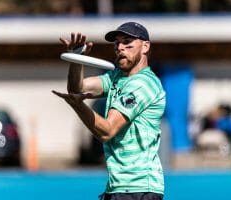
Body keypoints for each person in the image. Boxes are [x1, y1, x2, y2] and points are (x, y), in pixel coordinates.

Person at [52, 22, 166, 200]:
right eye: (116, 44)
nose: (120, 47)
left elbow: (107, 131)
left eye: (127, 42)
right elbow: (77, 88)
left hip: (138, 188)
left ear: (145, 46)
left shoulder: (143, 84)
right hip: (119, 187)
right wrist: (76, 59)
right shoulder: (117, 77)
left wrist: (77, 105)